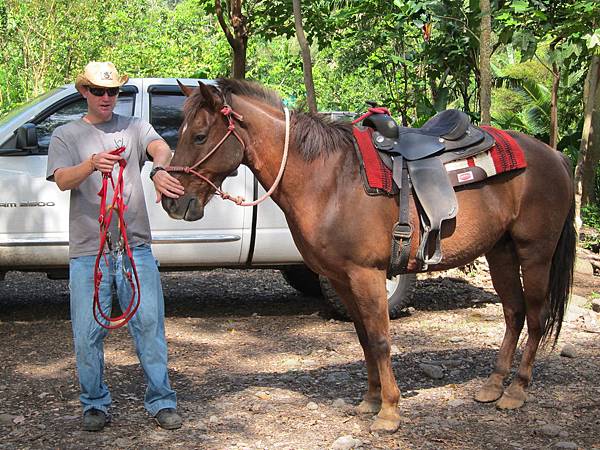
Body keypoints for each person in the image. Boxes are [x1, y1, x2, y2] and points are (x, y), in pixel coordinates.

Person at [46, 61, 185, 432]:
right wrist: (91, 164)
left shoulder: (135, 126)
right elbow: (61, 180)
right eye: (98, 90)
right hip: (89, 252)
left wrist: (158, 168)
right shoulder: (66, 135)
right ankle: (94, 403)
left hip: (134, 248)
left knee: (150, 326)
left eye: (112, 91)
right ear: (84, 92)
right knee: (88, 332)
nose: (106, 97)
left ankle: (161, 399)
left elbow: (161, 147)